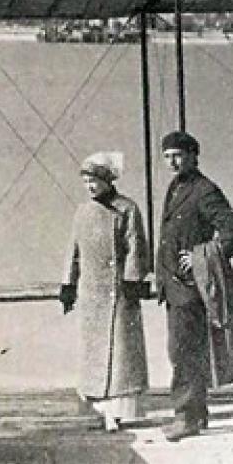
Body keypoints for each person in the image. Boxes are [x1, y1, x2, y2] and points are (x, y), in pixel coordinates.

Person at [156, 131, 233, 441]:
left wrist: (201, 256)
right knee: (184, 351)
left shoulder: (204, 190)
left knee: (183, 351)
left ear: (193, 156)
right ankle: (196, 416)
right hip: (174, 288)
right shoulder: (176, 188)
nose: (172, 162)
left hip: (190, 289)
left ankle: (186, 417)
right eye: (167, 157)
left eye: (178, 155)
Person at [60, 151, 150, 432]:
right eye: (86, 181)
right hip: (91, 293)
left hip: (120, 292)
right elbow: (73, 251)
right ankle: (97, 412)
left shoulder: (127, 209)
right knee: (93, 353)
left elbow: (137, 247)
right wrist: (68, 284)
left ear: (108, 180)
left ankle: (122, 412)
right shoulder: (82, 212)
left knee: (121, 353)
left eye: (94, 180)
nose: (90, 186)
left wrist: (133, 280)